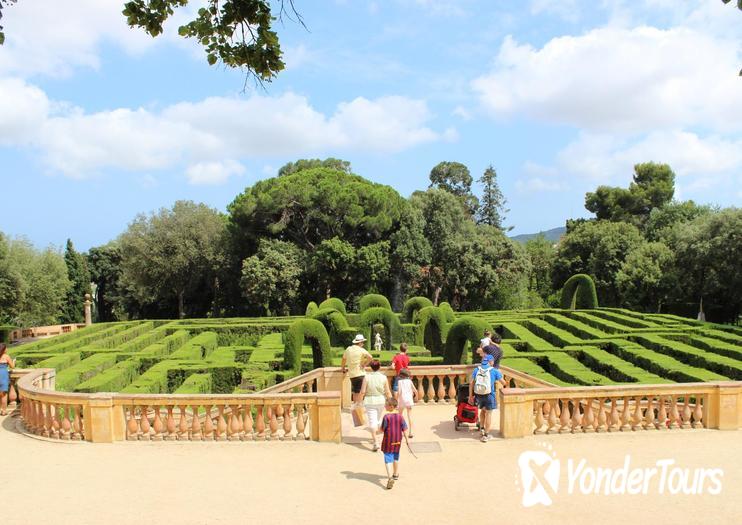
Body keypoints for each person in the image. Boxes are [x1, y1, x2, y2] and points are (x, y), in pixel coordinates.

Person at [468, 354, 505, 442]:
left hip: (478, 395)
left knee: (482, 411)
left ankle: (482, 429)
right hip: (489, 395)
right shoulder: (494, 371)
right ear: (490, 362)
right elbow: (504, 383)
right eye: (493, 361)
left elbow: (471, 383)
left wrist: (470, 396)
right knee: (489, 413)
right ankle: (486, 435)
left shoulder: (477, 369)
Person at [377, 397, 409, 490]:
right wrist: (407, 440)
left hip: (388, 441)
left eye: (386, 405)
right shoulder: (400, 416)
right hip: (398, 440)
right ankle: (395, 474)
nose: (385, 406)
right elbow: (405, 429)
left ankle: (390, 477)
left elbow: (382, 430)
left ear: (391, 406)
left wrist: (376, 432)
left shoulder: (386, 417)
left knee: (388, 459)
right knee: (396, 457)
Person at [360, 360, 392, 451]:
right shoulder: (384, 377)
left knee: (372, 421)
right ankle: (377, 438)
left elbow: (362, 392)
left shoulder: (366, 377)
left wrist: (358, 402)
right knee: (377, 420)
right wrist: (392, 401)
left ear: (371, 367)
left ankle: (376, 442)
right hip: (381, 401)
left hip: (369, 401)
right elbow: (387, 391)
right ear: (379, 366)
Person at [341, 334, 373, 405]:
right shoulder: (361, 350)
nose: (363, 344)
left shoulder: (348, 349)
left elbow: (343, 359)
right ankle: (358, 407)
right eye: (362, 342)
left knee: (355, 391)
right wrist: (365, 364)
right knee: (361, 392)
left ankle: (355, 406)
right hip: (360, 374)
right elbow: (370, 357)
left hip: (352, 375)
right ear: (360, 343)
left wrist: (343, 368)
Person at [395, 368, 418, 438]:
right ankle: (411, 432)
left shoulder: (400, 382)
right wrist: (416, 398)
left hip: (402, 400)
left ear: (400, 375)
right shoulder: (409, 381)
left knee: (400, 416)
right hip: (409, 400)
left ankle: (400, 431)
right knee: (410, 416)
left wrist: (396, 400)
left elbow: (399, 392)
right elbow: (415, 391)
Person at [0, 343, 15, 416]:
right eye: (6, 348)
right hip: (3, 376)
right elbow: (12, 366)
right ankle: (4, 411)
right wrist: (14, 361)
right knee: (4, 395)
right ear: (4, 349)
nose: (7, 349)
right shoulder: (6, 356)